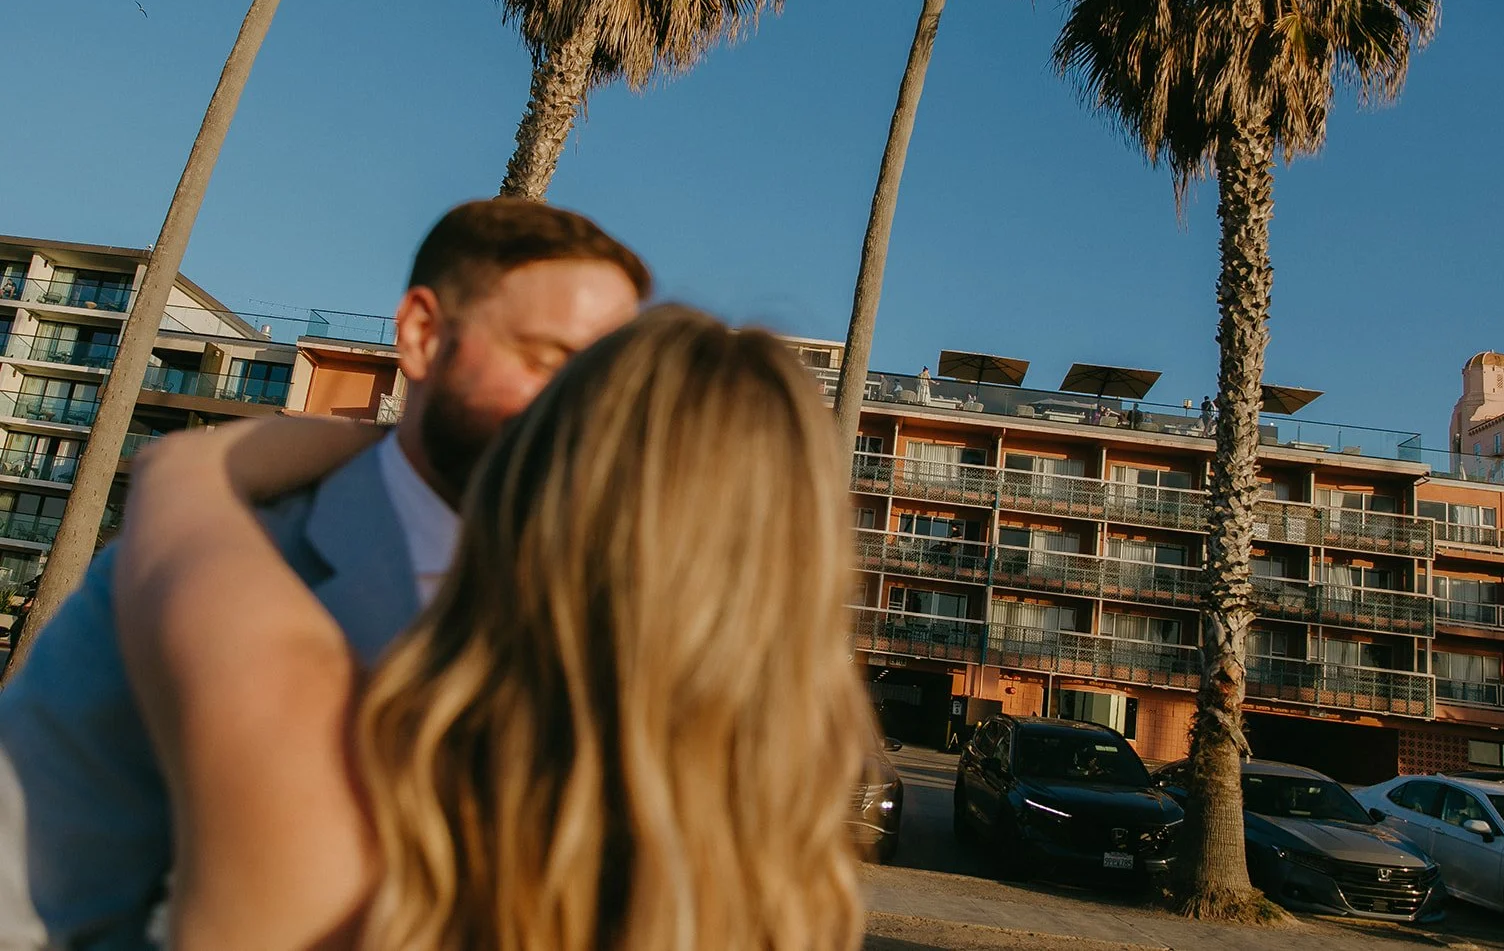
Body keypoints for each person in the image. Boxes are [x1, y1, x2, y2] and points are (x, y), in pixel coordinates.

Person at [0, 199, 651, 949]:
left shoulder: (618, 606)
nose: (583, 414)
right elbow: (31, 900)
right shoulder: (181, 565)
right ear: (423, 335)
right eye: (546, 361)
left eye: (604, 383)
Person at [115, 306, 873, 950]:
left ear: (522, 499)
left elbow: (182, 476)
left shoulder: (323, 761)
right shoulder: (796, 902)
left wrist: (410, 445)